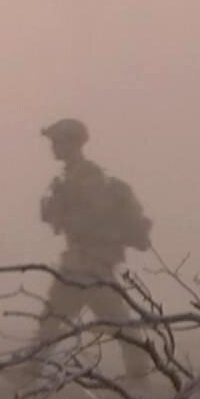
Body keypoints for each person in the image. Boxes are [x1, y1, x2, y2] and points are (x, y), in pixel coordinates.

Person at [30, 119, 154, 380]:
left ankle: (139, 371)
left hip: (90, 263)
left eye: (57, 142)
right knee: (59, 318)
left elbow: (93, 218)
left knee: (107, 319)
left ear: (72, 143)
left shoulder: (87, 177)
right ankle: (29, 369)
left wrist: (64, 216)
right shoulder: (73, 176)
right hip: (82, 262)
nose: (53, 147)